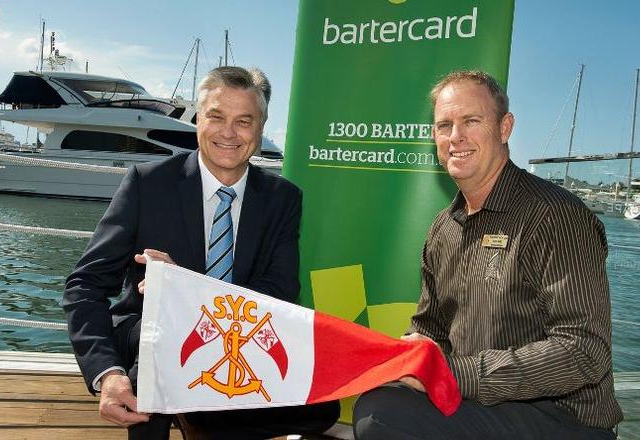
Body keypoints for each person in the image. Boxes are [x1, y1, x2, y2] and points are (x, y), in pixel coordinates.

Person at [63, 66, 339, 439]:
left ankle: (207, 419)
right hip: (148, 333)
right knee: (158, 341)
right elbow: (85, 285)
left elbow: (280, 291)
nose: (229, 132)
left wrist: (185, 289)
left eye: (244, 121)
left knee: (325, 406)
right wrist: (107, 373)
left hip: (240, 338)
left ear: (261, 127)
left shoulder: (283, 199)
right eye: (216, 117)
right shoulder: (148, 185)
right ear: (197, 120)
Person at [353, 71, 623, 440]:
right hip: (478, 405)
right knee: (377, 397)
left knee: (382, 416)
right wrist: (406, 356)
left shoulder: (556, 215)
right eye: (444, 125)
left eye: (471, 121)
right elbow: (431, 329)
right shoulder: (442, 229)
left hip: (562, 418)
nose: (455, 137)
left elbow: (584, 351)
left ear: (504, 128)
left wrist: (455, 374)